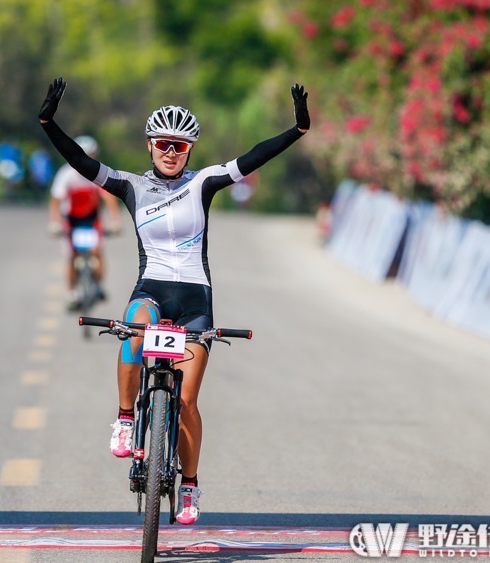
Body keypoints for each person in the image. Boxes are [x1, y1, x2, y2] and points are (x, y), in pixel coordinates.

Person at [38, 77, 310, 524]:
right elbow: (80, 162)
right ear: (149, 145)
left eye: (180, 147)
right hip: (152, 291)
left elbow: (254, 156)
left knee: (185, 402)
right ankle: (125, 418)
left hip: (195, 302)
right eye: (163, 143)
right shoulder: (129, 185)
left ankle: (189, 486)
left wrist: (296, 131)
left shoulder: (204, 183)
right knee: (131, 331)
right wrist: (49, 123)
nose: (171, 151)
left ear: (190, 151)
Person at [48, 135, 122, 310]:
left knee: (97, 251)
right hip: (72, 221)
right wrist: (54, 223)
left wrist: (115, 221)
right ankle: (72, 291)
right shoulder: (65, 175)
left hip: (92, 219)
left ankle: (98, 285)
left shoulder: (98, 173)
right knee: (72, 256)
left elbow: (109, 199)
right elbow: (56, 201)